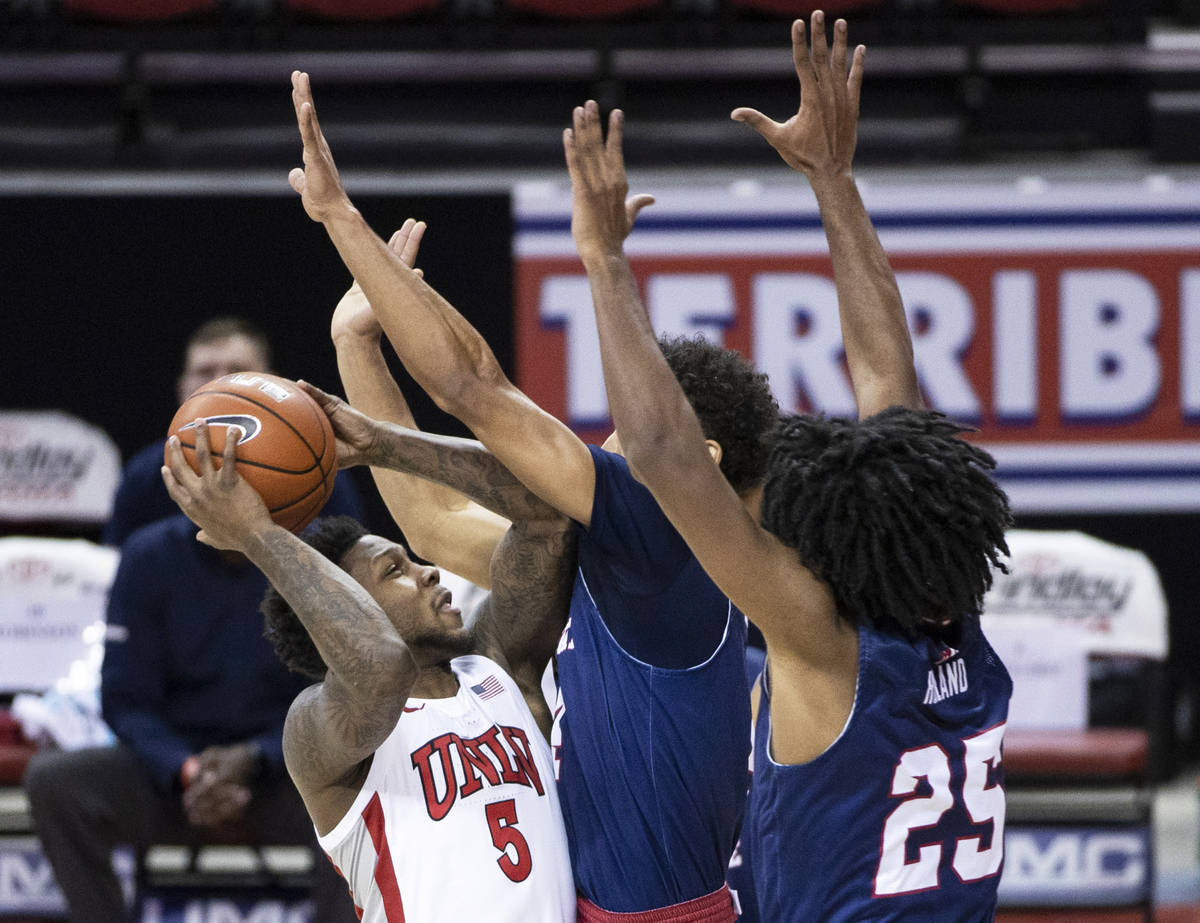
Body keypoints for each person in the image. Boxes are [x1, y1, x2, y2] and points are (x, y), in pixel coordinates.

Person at [285, 53, 922, 918]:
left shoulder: (660, 553)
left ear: (688, 454)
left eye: (625, 435)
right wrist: (358, 340)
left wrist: (338, 220)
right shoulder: (636, 552)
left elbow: (477, 387)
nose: (599, 446)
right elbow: (433, 520)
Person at [565, 13, 1013, 921]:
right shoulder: (953, 609)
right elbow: (890, 380)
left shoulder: (823, 644)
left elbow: (660, 451)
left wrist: (605, 265)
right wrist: (834, 181)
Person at [160, 410, 578, 920]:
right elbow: (381, 665)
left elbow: (547, 515)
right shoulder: (316, 726)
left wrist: (385, 445)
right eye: (394, 570)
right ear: (348, 604)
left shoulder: (497, 666)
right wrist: (256, 534)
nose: (428, 572)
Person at [23, 511, 361, 923]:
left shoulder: (312, 557)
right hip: (171, 779)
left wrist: (258, 756)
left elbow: (338, 695)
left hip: (288, 773)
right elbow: (125, 699)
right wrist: (186, 769)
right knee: (54, 782)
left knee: (360, 784)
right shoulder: (148, 556)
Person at [103, 315, 364, 547]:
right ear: (182, 388)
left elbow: (352, 570)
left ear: (272, 382)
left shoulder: (319, 468)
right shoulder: (145, 475)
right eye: (205, 372)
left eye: (237, 370)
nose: (220, 382)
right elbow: (113, 567)